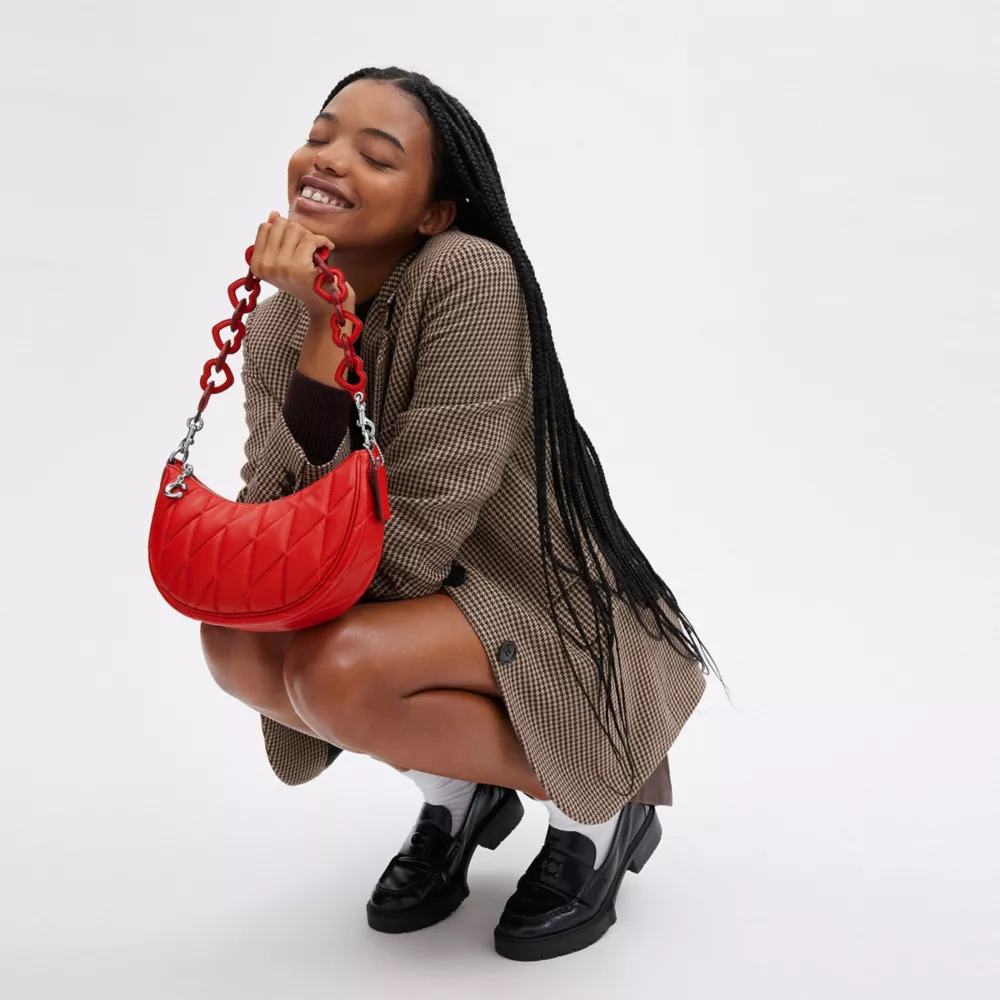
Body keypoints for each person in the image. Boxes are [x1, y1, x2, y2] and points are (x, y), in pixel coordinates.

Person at [200, 65, 720, 962]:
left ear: (434, 211)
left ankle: (605, 805)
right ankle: (459, 793)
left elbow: (416, 539)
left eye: (376, 156)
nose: (329, 160)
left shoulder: (468, 275)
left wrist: (306, 580)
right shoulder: (282, 322)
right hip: (411, 595)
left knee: (335, 669)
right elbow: (270, 514)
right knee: (237, 643)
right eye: (320, 136)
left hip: (527, 594)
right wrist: (320, 327)